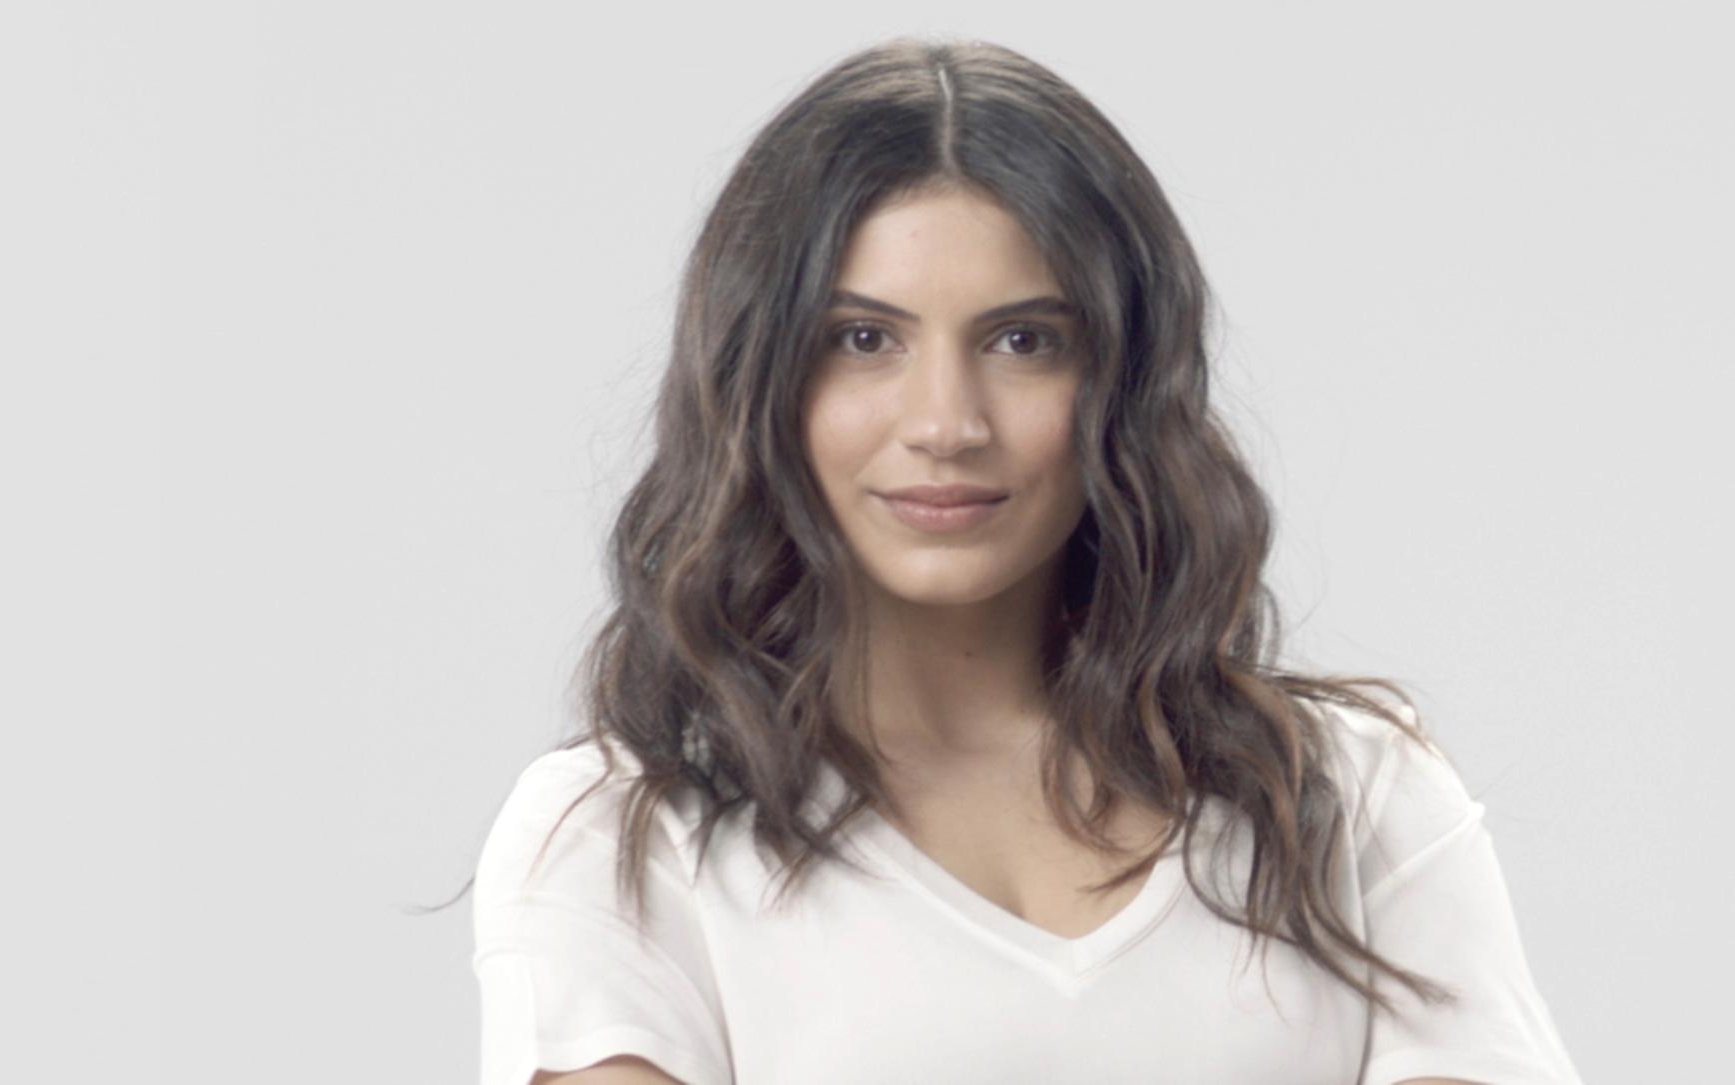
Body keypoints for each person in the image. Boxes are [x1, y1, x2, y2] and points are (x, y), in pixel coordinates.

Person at [462, 36, 1581, 1085]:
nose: (946, 422)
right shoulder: (620, 838)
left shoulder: (1351, 800)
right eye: (863, 340)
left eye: (1023, 341)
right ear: (757, 383)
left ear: (1124, 384)